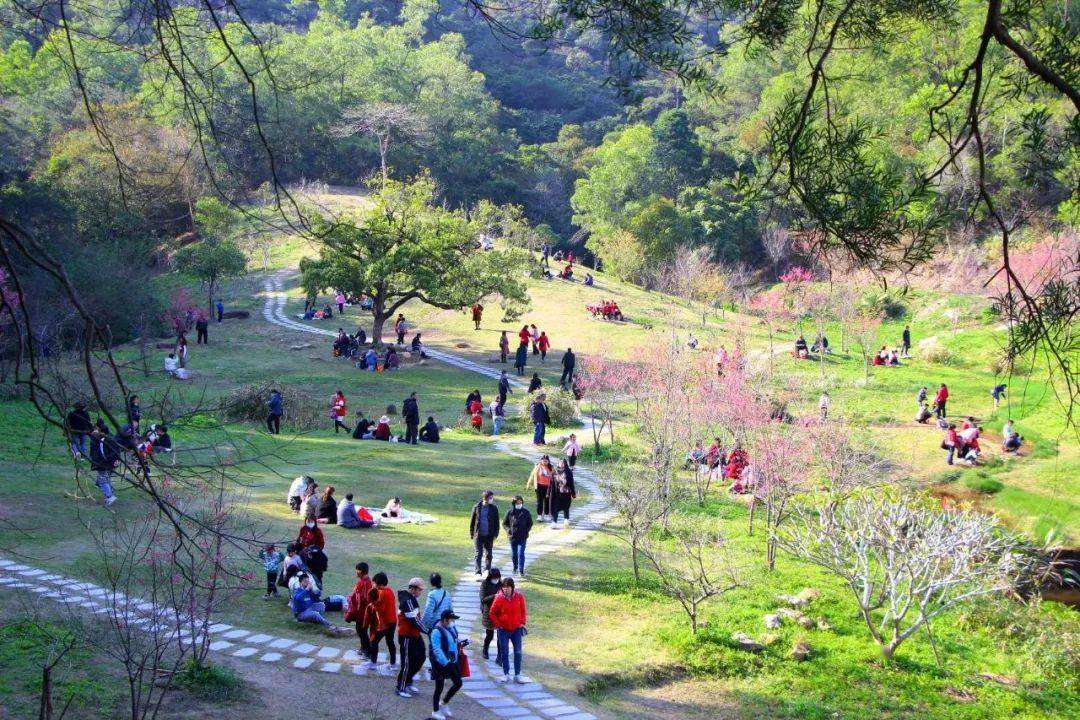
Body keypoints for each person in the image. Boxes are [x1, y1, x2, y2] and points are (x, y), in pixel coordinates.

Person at [429, 609, 464, 720]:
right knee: (439, 687)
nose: (453, 622)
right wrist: (445, 663)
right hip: (440, 663)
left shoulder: (451, 628)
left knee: (458, 683)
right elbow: (436, 649)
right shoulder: (436, 631)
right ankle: (435, 711)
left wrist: (461, 643)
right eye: (451, 620)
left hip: (452, 661)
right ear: (444, 620)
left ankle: (443, 703)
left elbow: (453, 641)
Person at [490, 577, 527, 684]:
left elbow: (523, 611)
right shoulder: (499, 598)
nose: (505, 589)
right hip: (503, 631)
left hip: (516, 629)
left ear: (512, 587)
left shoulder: (519, 597)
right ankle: (506, 674)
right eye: (504, 587)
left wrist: (522, 623)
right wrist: (498, 625)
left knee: (518, 652)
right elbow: (492, 613)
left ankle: (517, 675)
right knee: (504, 652)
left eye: (508, 587)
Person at [395, 577, 427, 699]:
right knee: (407, 663)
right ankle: (400, 687)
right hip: (407, 637)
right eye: (419, 589)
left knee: (421, 657)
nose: (421, 592)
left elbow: (417, 620)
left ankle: (408, 681)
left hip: (415, 635)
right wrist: (427, 630)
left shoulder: (412, 599)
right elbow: (414, 621)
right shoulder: (407, 601)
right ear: (413, 588)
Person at [345, 562, 374, 661]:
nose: (356, 572)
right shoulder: (362, 581)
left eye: (357, 569)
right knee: (360, 630)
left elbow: (365, 598)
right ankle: (363, 648)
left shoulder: (366, 582)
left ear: (361, 571)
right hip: (360, 611)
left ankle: (368, 651)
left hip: (364, 612)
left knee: (362, 631)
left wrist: (355, 598)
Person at [370, 572, 398, 668]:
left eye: (374, 583)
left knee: (373, 641)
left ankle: (373, 663)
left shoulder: (381, 592)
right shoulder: (389, 590)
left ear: (378, 582)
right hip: (393, 621)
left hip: (385, 623)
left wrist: (372, 604)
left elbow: (380, 609)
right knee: (390, 642)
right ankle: (393, 664)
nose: (373, 585)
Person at [470, 490, 500, 575]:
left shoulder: (494, 508)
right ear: (485, 498)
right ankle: (478, 571)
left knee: (489, 554)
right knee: (478, 553)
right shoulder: (477, 507)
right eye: (490, 498)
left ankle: (487, 569)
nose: (492, 499)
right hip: (478, 535)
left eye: (492, 497)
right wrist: (472, 533)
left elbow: (496, 522)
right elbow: (472, 521)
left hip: (489, 535)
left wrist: (496, 534)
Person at [89, 428, 119, 507]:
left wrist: (108, 462)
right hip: (107, 463)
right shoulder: (106, 440)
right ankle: (109, 495)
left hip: (103, 464)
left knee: (102, 481)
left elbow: (104, 455)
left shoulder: (101, 443)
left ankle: (109, 496)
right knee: (105, 479)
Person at [503, 496, 533, 576]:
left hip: (522, 537)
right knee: (514, 554)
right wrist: (508, 530)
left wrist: (526, 530)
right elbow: (505, 523)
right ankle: (515, 567)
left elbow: (530, 523)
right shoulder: (510, 512)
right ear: (514, 503)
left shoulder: (526, 512)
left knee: (521, 553)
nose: (519, 504)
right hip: (512, 537)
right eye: (517, 503)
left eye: (520, 503)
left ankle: (521, 569)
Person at [479, 567, 502, 661]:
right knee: (490, 635)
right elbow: (483, 599)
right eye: (494, 577)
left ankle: (499, 656)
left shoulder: (501, 584)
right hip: (488, 611)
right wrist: (495, 596)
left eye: (498, 577)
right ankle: (485, 649)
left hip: (499, 612)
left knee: (500, 636)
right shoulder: (485, 584)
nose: (496, 579)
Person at [526, 455, 554, 521]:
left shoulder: (551, 467)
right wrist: (529, 484)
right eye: (543, 460)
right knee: (539, 501)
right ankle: (539, 516)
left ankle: (547, 515)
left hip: (548, 487)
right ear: (541, 460)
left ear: (548, 461)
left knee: (547, 501)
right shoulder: (537, 467)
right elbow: (532, 476)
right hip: (539, 486)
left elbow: (555, 475)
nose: (544, 462)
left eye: (546, 461)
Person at [552, 459, 576, 526]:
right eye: (560, 462)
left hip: (566, 493)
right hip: (557, 493)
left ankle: (566, 519)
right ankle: (554, 522)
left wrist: (573, 493)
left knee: (566, 507)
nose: (562, 464)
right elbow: (552, 483)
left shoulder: (569, 472)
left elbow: (571, 483)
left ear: (566, 463)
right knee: (555, 507)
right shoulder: (555, 472)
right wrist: (550, 492)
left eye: (563, 463)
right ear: (558, 463)